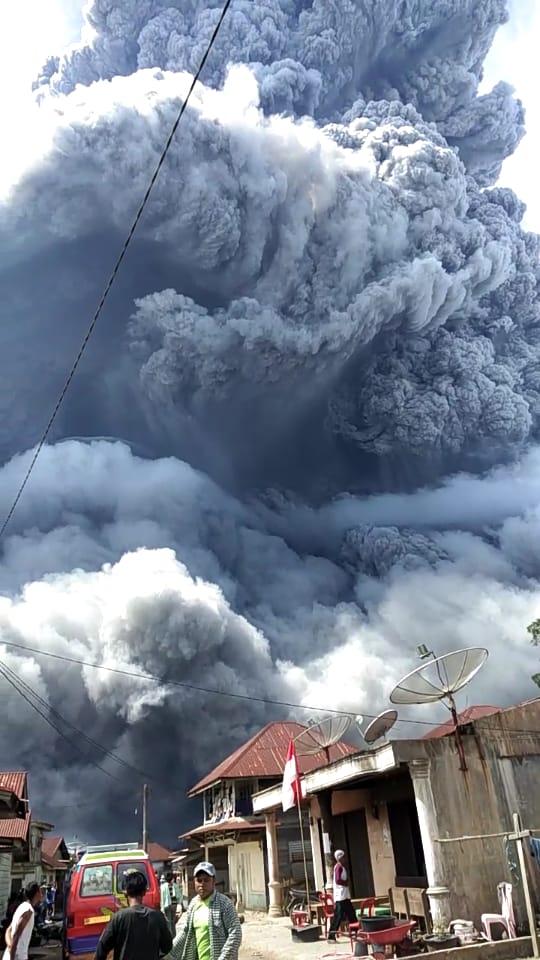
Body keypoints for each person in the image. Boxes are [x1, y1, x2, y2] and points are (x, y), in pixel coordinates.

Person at [169, 861, 241, 960]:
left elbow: (235, 933)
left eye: (206, 880)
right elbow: (186, 932)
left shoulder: (224, 904)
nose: (202, 884)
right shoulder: (193, 905)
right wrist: (167, 952)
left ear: (214, 881)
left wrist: (224, 958)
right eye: (199, 880)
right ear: (194, 881)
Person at [94, 870, 172, 960]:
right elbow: (167, 946)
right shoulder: (158, 917)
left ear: (125, 892)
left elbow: (102, 948)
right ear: (144, 892)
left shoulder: (118, 918)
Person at [3, 882, 43, 960]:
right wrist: (12, 955)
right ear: (37, 893)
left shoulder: (22, 906)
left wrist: (10, 946)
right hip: (18, 956)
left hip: (13, 954)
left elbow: (9, 930)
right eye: (40, 891)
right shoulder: (28, 911)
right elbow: (16, 935)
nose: (42, 893)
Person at [328, 849, 356, 941]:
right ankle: (331, 936)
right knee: (338, 917)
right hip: (340, 897)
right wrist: (346, 883)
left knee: (351, 914)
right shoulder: (338, 867)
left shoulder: (342, 867)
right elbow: (338, 880)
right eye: (343, 857)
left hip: (345, 896)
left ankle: (355, 932)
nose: (344, 859)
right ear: (339, 858)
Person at [160, 872, 181, 936]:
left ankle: (170, 936)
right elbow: (179, 896)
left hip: (167, 905)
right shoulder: (175, 885)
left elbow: (162, 898)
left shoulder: (163, 887)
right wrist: (179, 904)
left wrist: (162, 909)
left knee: (168, 921)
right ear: (172, 878)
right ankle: (173, 936)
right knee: (172, 921)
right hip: (174, 905)